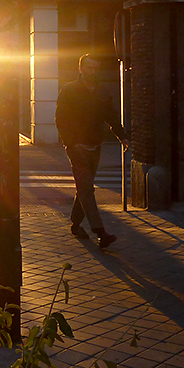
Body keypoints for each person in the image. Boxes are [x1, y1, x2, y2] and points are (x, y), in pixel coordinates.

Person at [55, 54, 129, 249]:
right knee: (87, 187)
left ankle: (75, 222)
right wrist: (70, 143)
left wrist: (123, 136)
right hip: (77, 147)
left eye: (96, 68)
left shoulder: (101, 93)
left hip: (95, 146)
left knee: (84, 187)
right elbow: (60, 118)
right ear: (81, 68)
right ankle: (100, 232)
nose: (92, 71)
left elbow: (111, 116)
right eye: (89, 67)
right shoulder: (69, 90)